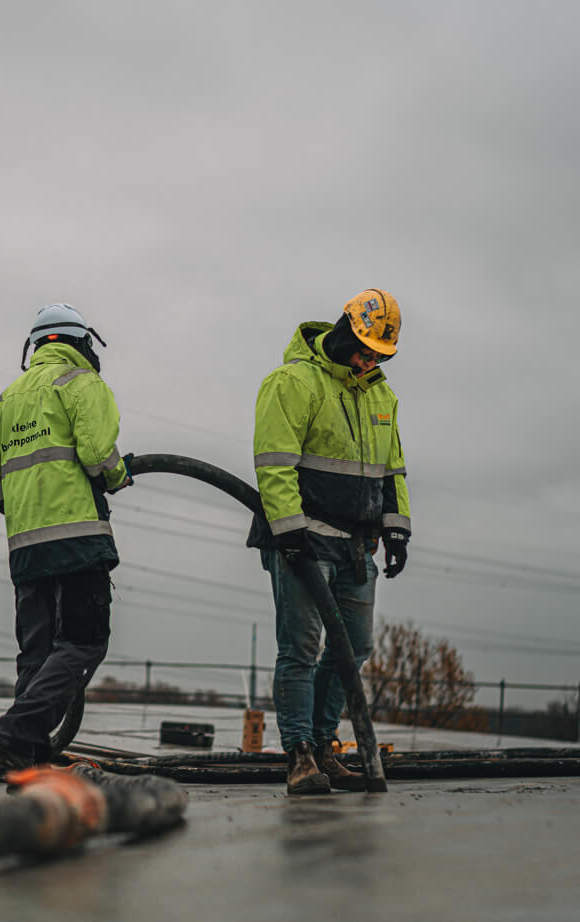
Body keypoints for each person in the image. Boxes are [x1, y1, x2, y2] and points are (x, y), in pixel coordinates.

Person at [247, 289, 411, 794]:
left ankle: (323, 746)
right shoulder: (293, 382)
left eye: (379, 355)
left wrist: (396, 526)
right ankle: (298, 754)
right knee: (300, 647)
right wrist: (289, 530)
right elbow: (274, 462)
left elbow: (393, 467)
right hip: (304, 537)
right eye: (364, 349)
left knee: (353, 649)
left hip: (356, 546)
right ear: (343, 332)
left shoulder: (380, 394)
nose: (368, 360)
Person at [0, 304, 133, 769]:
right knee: (85, 643)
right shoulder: (82, 384)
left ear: (36, 347)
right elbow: (98, 455)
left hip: (25, 543)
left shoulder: (6, 400)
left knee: (38, 650)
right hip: (78, 535)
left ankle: (24, 758)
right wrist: (119, 475)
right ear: (82, 342)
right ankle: (15, 731)